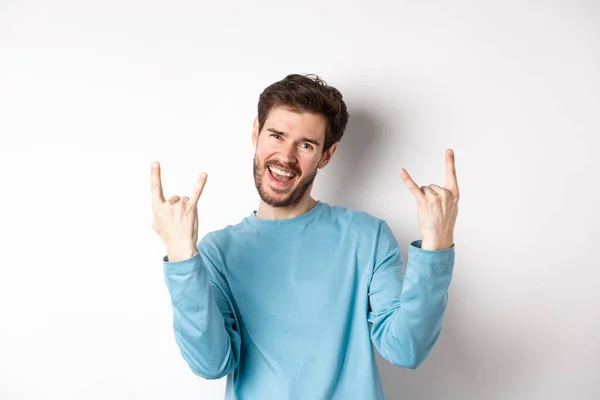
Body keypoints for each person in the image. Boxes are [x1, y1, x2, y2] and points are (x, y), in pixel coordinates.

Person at [150, 74, 459, 399]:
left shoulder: (367, 237)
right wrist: (182, 255)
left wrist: (437, 247)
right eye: (277, 135)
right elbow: (211, 363)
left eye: (306, 144)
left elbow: (405, 349)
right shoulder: (218, 251)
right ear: (256, 132)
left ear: (326, 155)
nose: (285, 156)